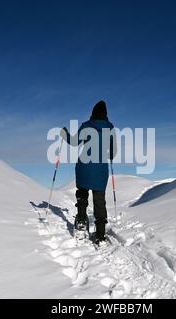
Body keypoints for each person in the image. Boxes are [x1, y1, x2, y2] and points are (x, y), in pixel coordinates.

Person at [61, 100, 116, 245]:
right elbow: (113, 153)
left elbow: (73, 142)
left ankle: (80, 221)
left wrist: (64, 133)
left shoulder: (86, 126)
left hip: (84, 167)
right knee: (99, 201)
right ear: (105, 114)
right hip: (100, 171)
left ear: (93, 113)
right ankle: (100, 235)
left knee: (82, 193)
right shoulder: (110, 129)